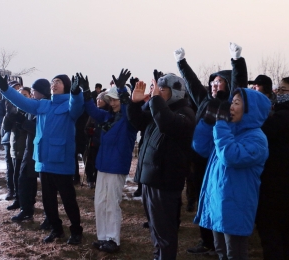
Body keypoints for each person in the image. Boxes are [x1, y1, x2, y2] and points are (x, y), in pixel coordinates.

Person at [0, 72, 84, 245]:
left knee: (68, 199)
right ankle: (56, 229)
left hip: (62, 161)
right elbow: (23, 102)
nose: (54, 84)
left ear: (66, 85)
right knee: (48, 201)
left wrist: (76, 92)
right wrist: (5, 89)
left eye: (58, 82)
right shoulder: (43, 105)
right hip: (43, 160)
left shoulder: (69, 106)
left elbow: (77, 105)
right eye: (52, 82)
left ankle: (76, 231)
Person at [174, 42, 247, 255]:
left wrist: (237, 60)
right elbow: (193, 83)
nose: (215, 86)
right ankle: (207, 241)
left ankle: (222, 244)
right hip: (200, 159)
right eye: (213, 82)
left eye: (219, 82)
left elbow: (239, 83)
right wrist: (181, 63)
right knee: (202, 199)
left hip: (221, 159)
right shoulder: (205, 101)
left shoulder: (232, 102)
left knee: (220, 201)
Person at [193, 88, 270, 259]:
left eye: (237, 103)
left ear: (251, 110)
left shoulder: (257, 138)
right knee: (221, 252)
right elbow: (201, 147)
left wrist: (220, 124)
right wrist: (207, 122)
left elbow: (230, 157)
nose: (231, 107)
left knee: (235, 254)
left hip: (236, 206)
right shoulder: (228, 131)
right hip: (218, 203)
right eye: (231, 102)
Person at [127, 74, 195, 260]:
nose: (155, 93)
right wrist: (134, 103)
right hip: (150, 179)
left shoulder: (184, 113)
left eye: (161, 90)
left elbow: (167, 124)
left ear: (175, 93)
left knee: (165, 233)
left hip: (165, 182)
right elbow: (138, 123)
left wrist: (155, 100)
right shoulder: (158, 109)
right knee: (156, 231)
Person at [79, 70, 137, 253]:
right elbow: (91, 110)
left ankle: (113, 239)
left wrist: (121, 88)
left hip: (117, 166)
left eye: (115, 99)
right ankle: (102, 236)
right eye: (110, 99)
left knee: (112, 203)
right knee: (100, 202)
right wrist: (87, 92)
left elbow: (129, 108)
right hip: (103, 165)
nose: (112, 102)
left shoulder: (129, 120)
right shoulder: (107, 117)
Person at [255, 77, 289, 259]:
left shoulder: (281, 118)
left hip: (276, 185)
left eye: (283, 91)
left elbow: (261, 134)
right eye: (278, 89)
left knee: (272, 234)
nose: (278, 93)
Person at [11, 80, 51, 222]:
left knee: (48, 188)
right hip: (30, 149)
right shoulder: (32, 106)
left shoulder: (48, 106)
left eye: (34, 90)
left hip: (43, 151)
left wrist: (22, 122)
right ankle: (26, 209)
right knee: (24, 181)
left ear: (41, 91)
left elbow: (39, 128)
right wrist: (16, 121)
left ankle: (49, 216)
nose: (32, 93)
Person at [0, 81, 22, 200]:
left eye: (18, 89)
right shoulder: (2, 103)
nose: (16, 91)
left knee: (21, 165)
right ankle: (11, 189)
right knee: (10, 166)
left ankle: (21, 190)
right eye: (14, 89)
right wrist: (8, 123)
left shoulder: (24, 103)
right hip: (8, 137)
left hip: (22, 136)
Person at [5, 87, 31, 211]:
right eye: (20, 95)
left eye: (25, 95)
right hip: (15, 149)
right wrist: (8, 114)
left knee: (26, 180)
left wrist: (21, 119)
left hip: (26, 149)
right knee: (16, 177)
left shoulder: (30, 110)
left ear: (30, 96)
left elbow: (28, 129)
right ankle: (17, 199)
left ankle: (27, 204)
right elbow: (6, 128)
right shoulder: (15, 110)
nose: (22, 97)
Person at [84, 91, 111, 188]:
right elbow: (87, 127)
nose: (98, 101)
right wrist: (90, 131)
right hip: (93, 143)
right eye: (97, 99)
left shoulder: (108, 114)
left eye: (101, 99)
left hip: (103, 144)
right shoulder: (94, 113)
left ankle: (98, 182)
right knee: (90, 162)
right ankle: (90, 179)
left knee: (99, 165)